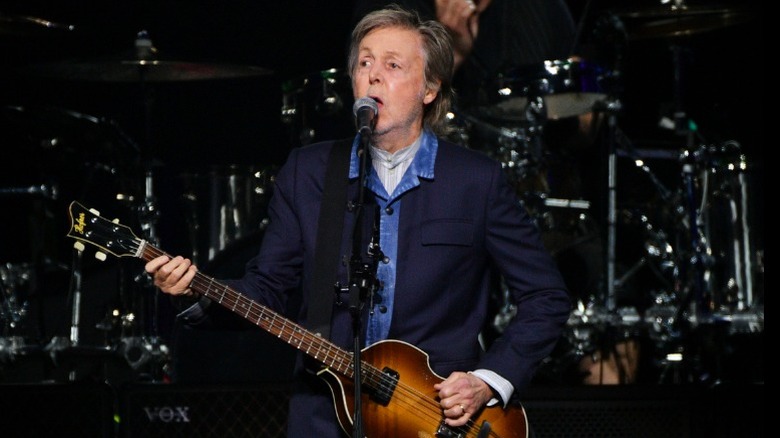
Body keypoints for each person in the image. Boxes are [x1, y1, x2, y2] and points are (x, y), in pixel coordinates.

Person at [145, 5, 570, 437]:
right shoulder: (308, 172)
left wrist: (487, 381)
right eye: (364, 62)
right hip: (325, 418)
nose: (373, 75)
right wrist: (194, 290)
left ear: (430, 88)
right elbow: (267, 290)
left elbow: (546, 297)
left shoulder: (475, 181)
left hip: (439, 420)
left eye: (392, 64)